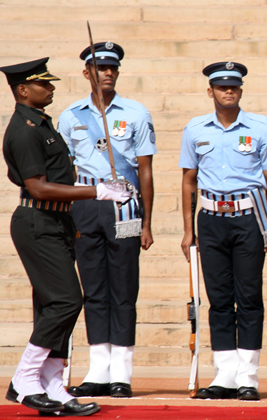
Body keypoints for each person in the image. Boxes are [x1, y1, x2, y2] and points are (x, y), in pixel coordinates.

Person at [1, 57, 132, 416]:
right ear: (23, 90)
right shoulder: (24, 130)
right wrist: (97, 192)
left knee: (52, 305)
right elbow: (39, 188)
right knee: (67, 301)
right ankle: (25, 379)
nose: (52, 88)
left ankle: (53, 383)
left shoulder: (42, 124)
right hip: (36, 223)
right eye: (44, 84)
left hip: (57, 223)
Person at [179, 61, 267, 401]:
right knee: (219, 298)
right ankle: (224, 373)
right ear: (210, 91)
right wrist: (187, 229)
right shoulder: (196, 128)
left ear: (240, 90)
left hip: (249, 217)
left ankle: (248, 375)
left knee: (249, 297)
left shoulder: (260, 126)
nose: (228, 91)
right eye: (222, 87)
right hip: (210, 218)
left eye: (234, 87)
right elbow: (188, 181)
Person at [58, 42, 157, 398]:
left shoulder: (136, 112)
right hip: (86, 204)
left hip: (126, 206)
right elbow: (66, 170)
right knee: (94, 289)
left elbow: (145, 169)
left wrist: (146, 220)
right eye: (101, 68)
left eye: (113, 68)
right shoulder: (71, 116)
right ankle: (98, 369)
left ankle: (122, 372)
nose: (108, 73)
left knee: (124, 287)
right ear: (87, 73)